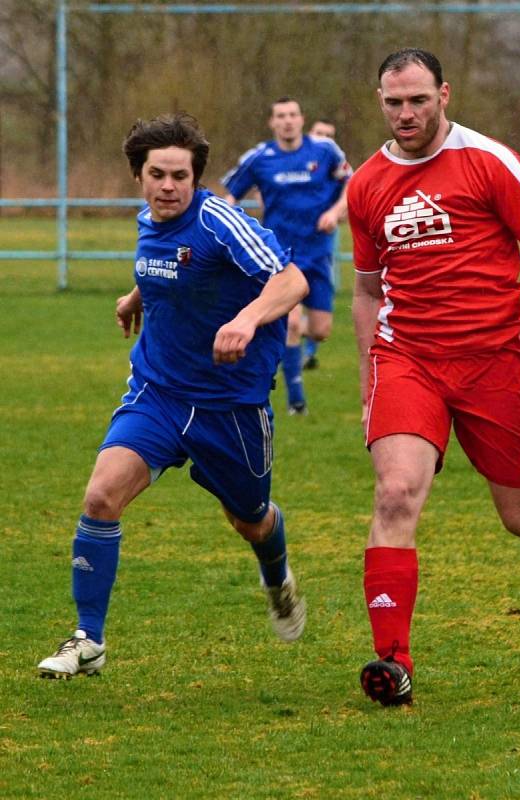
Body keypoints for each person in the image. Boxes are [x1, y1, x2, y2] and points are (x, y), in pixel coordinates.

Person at [37, 112, 309, 679]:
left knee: (252, 519)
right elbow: (173, 266)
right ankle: (89, 640)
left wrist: (247, 319)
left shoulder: (221, 222)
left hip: (229, 405)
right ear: (139, 176)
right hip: (158, 392)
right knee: (101, 497)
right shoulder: (149, 220)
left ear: (196, 178)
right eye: (157, 174)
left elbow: (291, 281)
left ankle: (276, 573)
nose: (168, 186)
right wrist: (137, 294)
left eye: (179, 176)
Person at [348, 49, 520, 707]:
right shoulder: (366, 183)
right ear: (379, 102)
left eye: (418, 99)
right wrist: (368, 389)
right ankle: (392, 663)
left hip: (495, 363)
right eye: (393, 102)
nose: (406, 113)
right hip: (407, 359)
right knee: (394, 494)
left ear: (443, 94)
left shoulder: (487, 162)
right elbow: (366, 293)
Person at [221, 98, 351, 414]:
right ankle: (296, 399)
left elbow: (353, 184)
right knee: (292, 323)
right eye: (281, 116)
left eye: (293, 114)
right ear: (272, 123)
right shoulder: (260, 158)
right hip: (280, 257)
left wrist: (335, 212)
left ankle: (277, 338)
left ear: (302, 119)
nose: (288, 121)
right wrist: (231, 229)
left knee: (320, 330)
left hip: (318, 253)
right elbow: (229, 197)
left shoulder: (324, 151)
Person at [303, 117, 340, 371]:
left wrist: (335, 213)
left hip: (321, 244)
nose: (323, 138)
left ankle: (309, 350)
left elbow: (349, 197)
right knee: (290, 309)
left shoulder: (334, 170)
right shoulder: (296, 162)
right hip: (290, 245)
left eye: (329, 135)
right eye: (319, 132)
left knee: (319, 323)